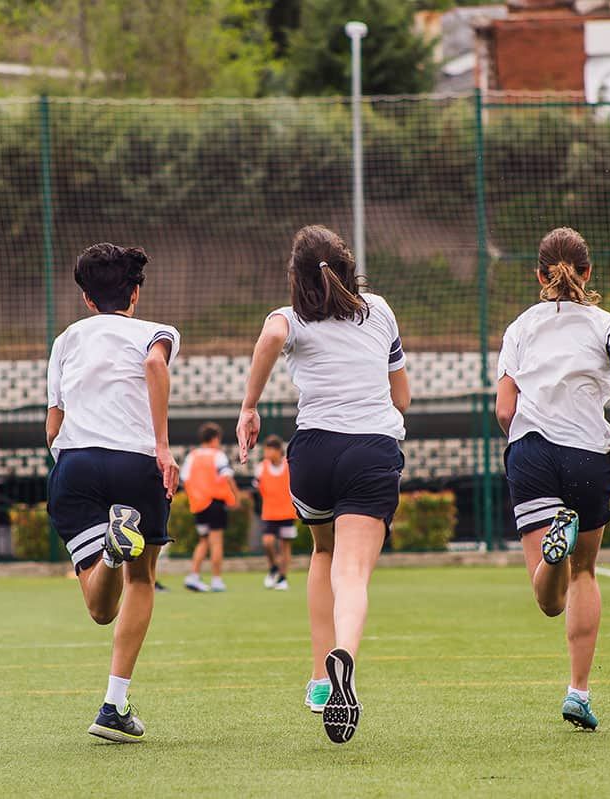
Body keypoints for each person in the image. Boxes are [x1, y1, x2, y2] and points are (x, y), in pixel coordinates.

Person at [237, 224, 410, 745]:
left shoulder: (290, 319)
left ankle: (318, 680)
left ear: (294, 276)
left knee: (321, 552)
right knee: (352, 574)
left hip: (314, 453)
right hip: (373, 449)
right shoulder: (378, 309)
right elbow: (401, 398)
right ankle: (345, 658)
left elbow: (270, 337)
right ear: (349, 268)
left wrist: (250, 407)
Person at [494, 227, 610, 732]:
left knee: (548, 600)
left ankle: (553, 550)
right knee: (585, 574)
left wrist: (517, 442)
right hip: (588, 455)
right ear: (588, 271)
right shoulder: (607, 324)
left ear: (539, 275)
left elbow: (504, 408)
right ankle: (578, 692)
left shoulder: (519, 328)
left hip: (532, 451)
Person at [46, 242, 180, 743]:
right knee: (142, 581)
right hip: (135, 463)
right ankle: (113, 703)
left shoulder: (66, 340)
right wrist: (162, 448)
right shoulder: (156, 333)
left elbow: (53, 420)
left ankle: (108, 553)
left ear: (86, 298)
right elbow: (154, 367)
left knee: (100, 608)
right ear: (136, 294)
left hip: (76, 461)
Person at [180, 423, 240, 593]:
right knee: (216, 542)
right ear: (214, 439)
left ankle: (193, 576)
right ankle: (216, 580)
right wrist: (237, 497)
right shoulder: (218, 455)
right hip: (215, 503)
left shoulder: (192, 456)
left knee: (203, 540)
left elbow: (184, 479)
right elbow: (227, 477)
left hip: (199, 505)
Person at [253, 435, 295, 590]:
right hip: (269, 513)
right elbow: (258, 488)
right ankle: (273, 568)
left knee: (285, 546)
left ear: (278, 450)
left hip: (287, 512)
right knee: (268, 542)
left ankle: (283, 578)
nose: (267, 453)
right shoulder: (261, 468)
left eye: (270, 450)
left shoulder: (289, 466)